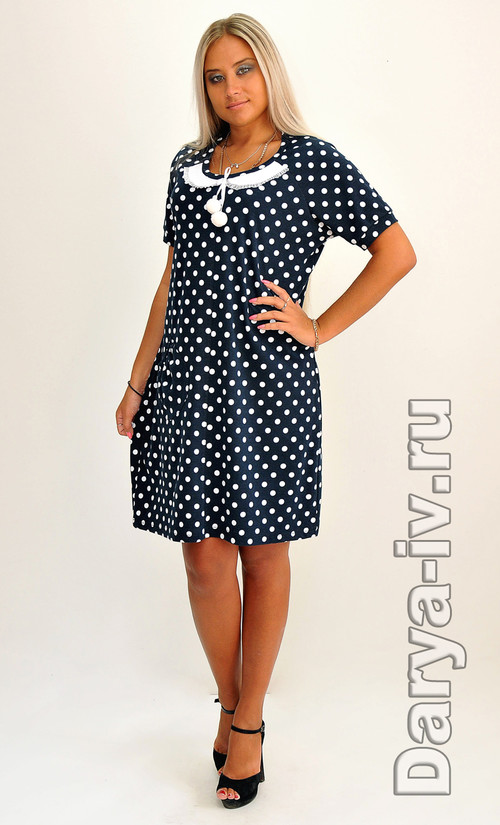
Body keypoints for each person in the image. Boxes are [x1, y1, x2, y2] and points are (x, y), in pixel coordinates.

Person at [115, 12, 416, 809]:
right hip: (187, 384)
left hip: (270, 388)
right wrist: (138, 382)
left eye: (243, 69)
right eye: (216, 76)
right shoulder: (187, 167)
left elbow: (396, 252)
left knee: (262, 551)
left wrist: (317, 326)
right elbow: (173, 280)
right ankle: (231, 703)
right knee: (203, 556)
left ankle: (247, 723)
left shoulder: (312, 162)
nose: (232, 87)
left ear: (267, 72)